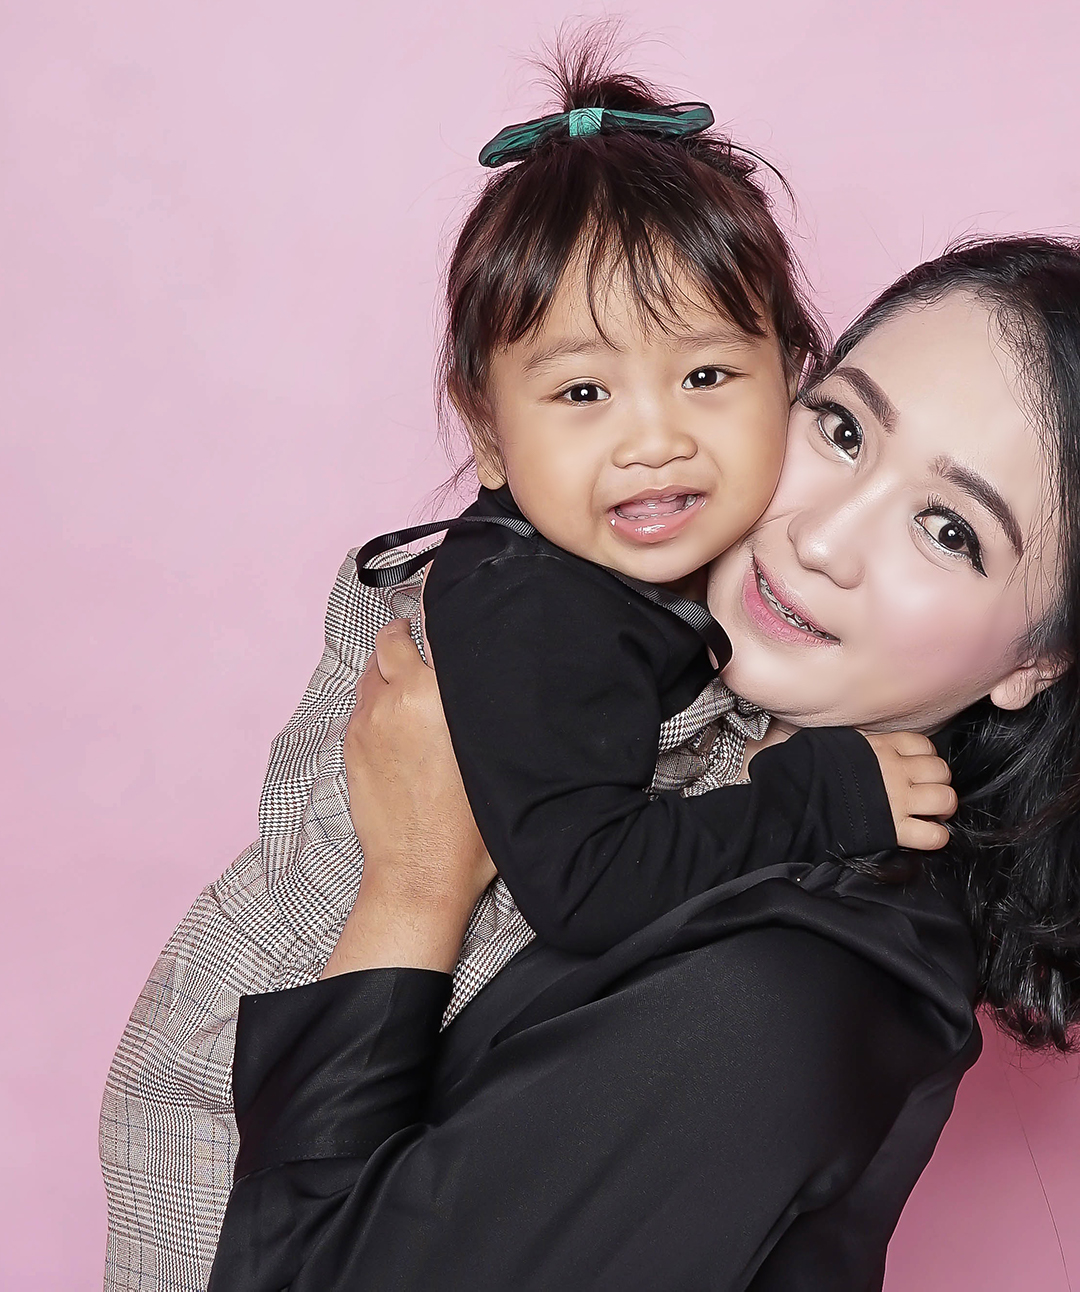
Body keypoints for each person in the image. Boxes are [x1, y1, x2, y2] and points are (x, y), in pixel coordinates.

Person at [206, 236, 1080, 1290]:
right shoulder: (659, 713)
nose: (822, 539)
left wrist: (413, 888)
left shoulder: (775, 1000)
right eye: (842, 429)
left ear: (1038, 662)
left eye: (949, 530)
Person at [100, 53, 956, 1292]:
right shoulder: (528, 610)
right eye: (583, 391)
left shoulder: (680, 583)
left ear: (794, 373)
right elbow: (590, 889)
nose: (653, 437)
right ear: (491, 430)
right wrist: (824, 791)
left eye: (708, 376)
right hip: (256, 1125)